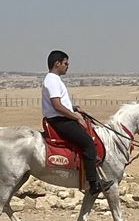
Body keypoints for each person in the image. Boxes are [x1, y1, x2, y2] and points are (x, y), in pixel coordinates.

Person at [42, 50, 113, 196]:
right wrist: (76, 117)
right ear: (58, 63)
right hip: (60, 121)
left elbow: (60, 104)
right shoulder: (52, 80)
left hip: (61, 117)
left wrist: (74, 108)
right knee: (88, 143)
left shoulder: (54, 79)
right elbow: (57, 106)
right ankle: (93, 184)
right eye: (66, 63)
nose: (68, 66)